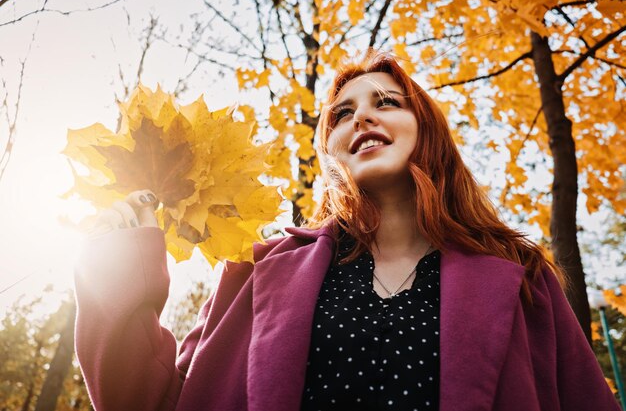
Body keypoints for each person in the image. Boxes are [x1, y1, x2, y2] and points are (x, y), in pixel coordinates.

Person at [74, 51, 620, 411]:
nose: (362, 117)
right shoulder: (255, 270)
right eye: (342, 113)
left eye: (386, 102)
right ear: (330, 150)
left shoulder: (522, 277)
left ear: (424, 128)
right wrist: (120, 273)